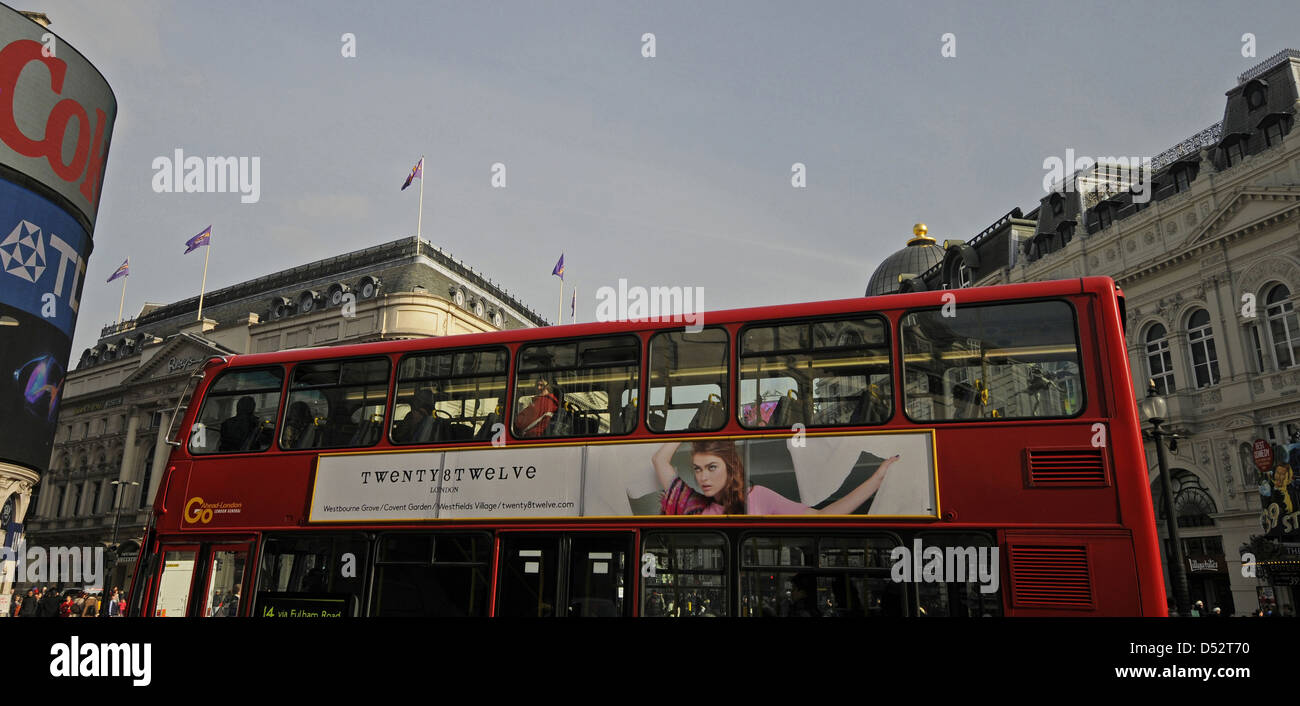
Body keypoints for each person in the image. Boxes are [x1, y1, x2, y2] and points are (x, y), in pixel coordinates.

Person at [652, 439, 896, 515]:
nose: (703, 477)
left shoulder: (757, 496)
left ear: (731, 468)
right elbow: (660, 460)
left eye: (712, 467)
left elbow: (822, 516)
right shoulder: (690, 502)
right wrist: (688, 432)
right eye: (697, 468)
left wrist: (876, 480)